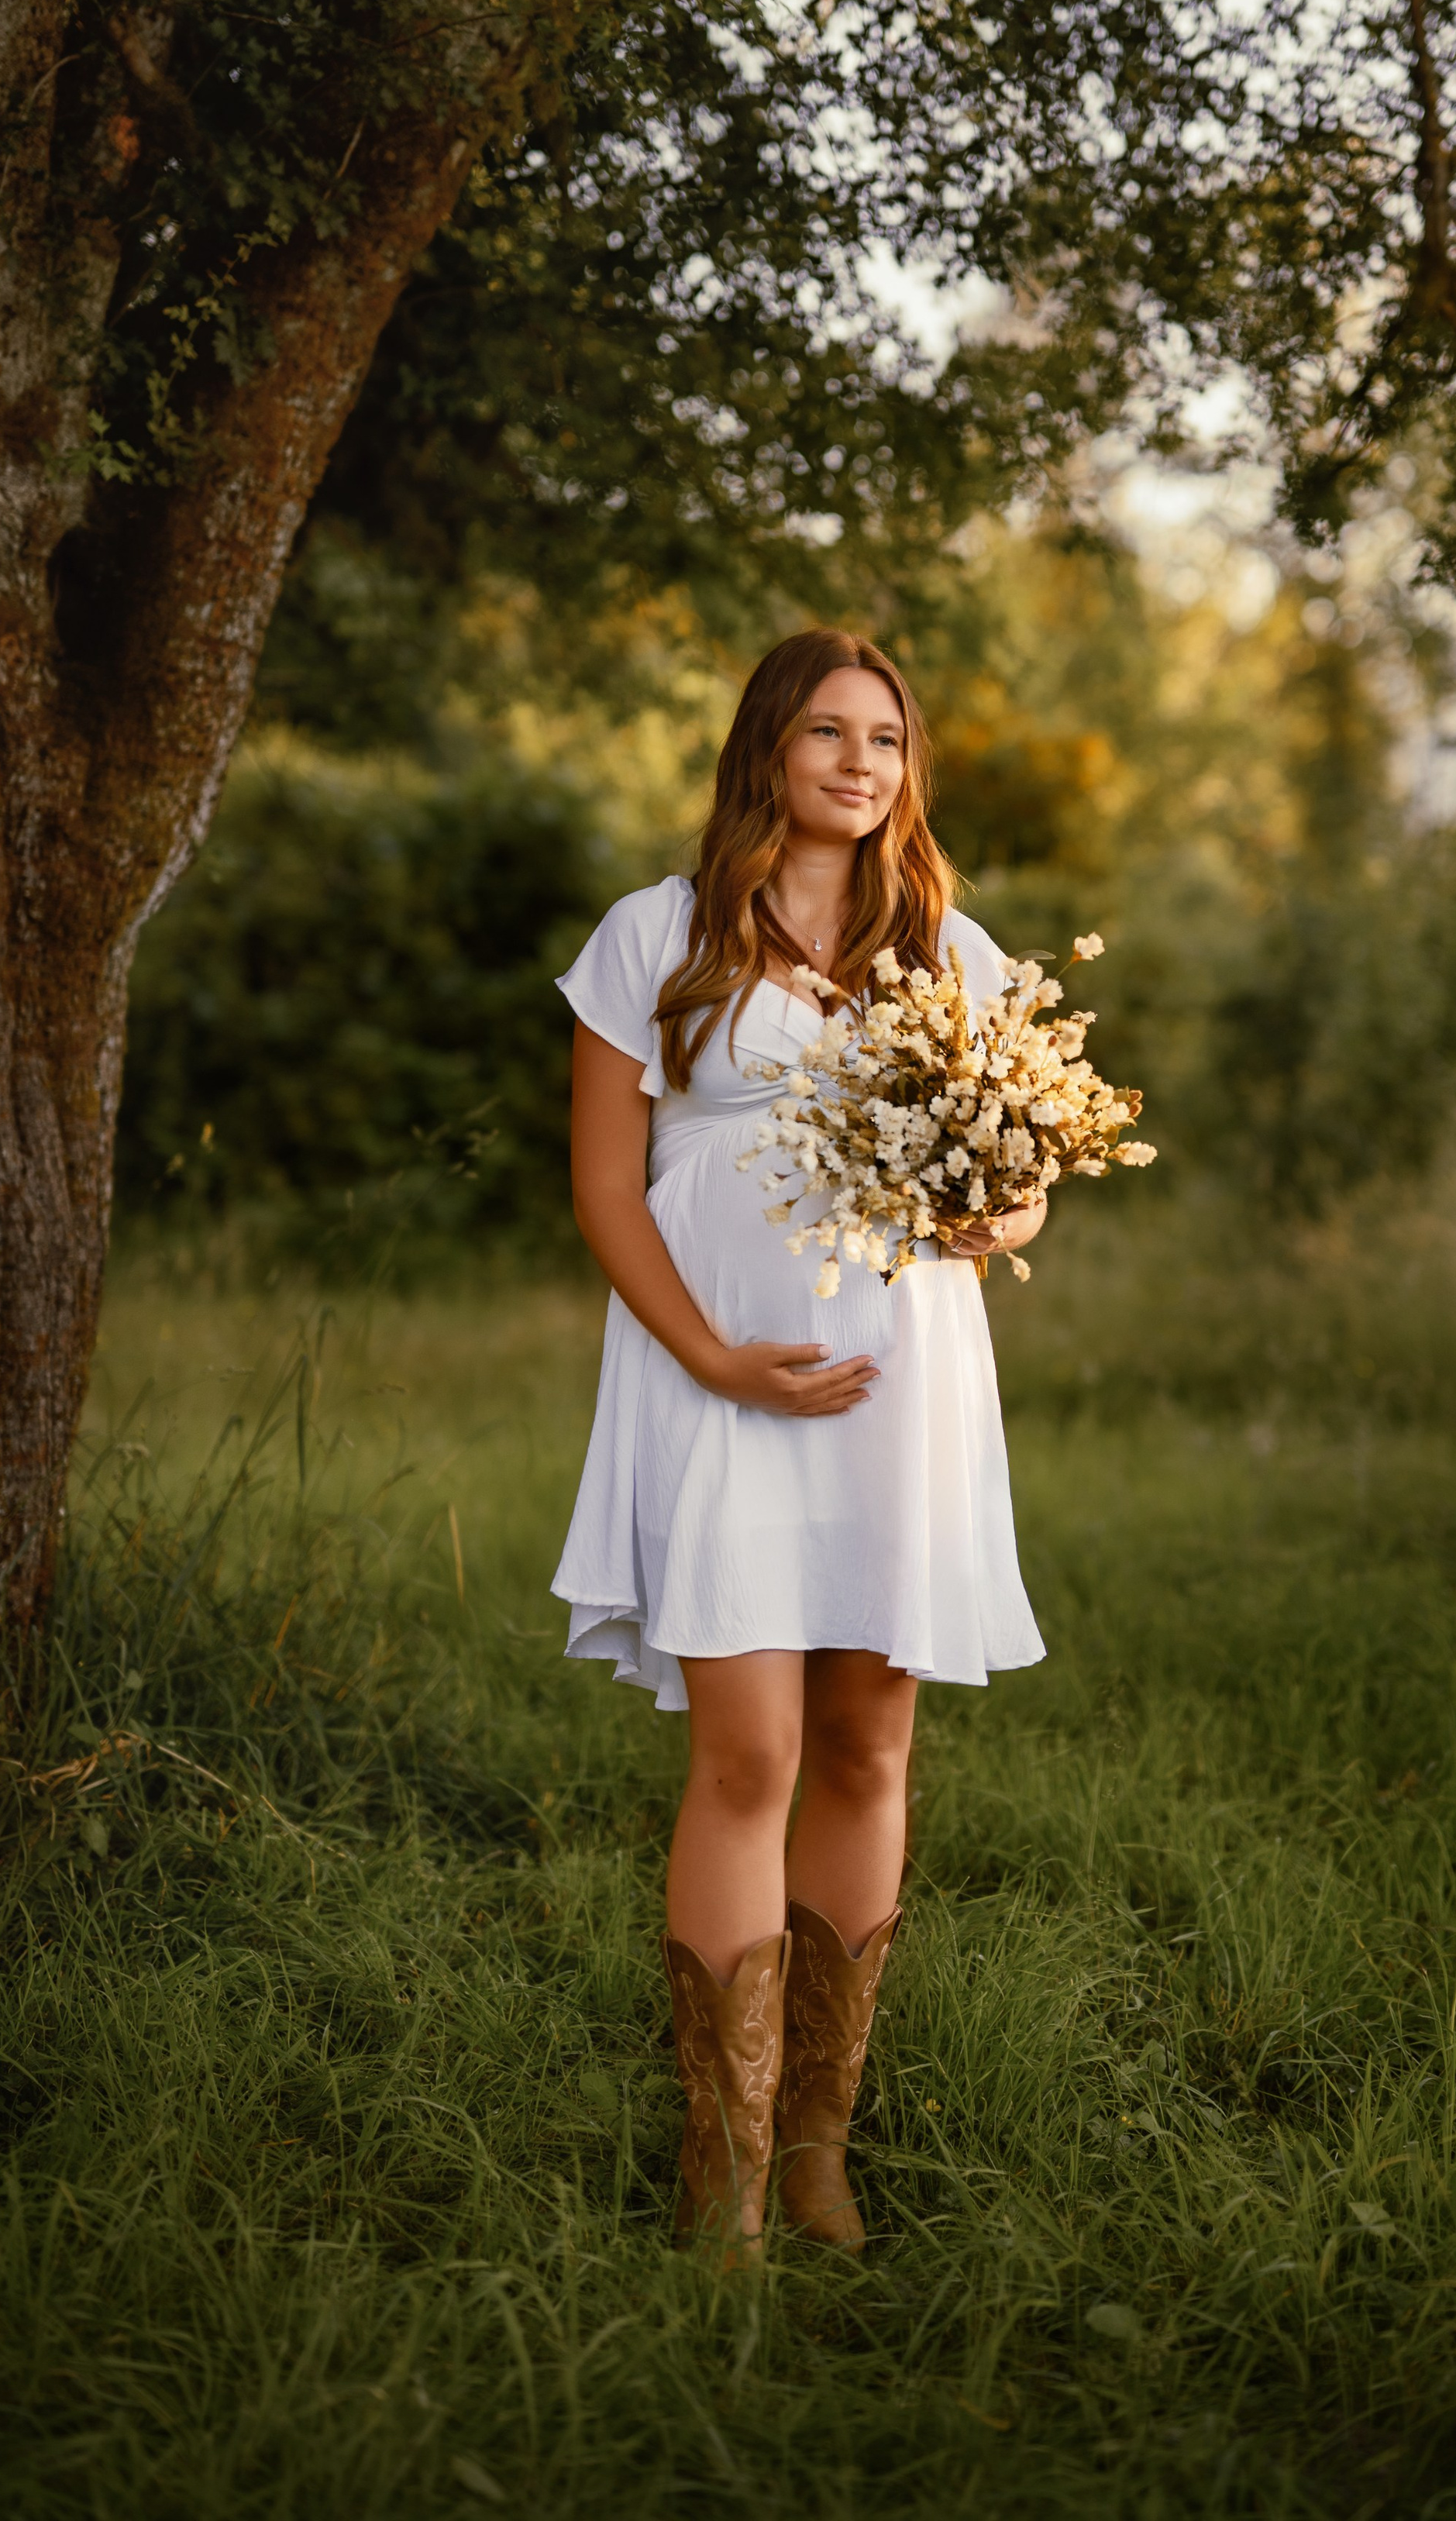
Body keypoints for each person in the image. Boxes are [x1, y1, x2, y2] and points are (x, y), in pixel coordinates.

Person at [553, 629, 1047, 2267]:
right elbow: (607, 1188)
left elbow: (1021, 1184)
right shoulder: (656, 933)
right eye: (828, 731)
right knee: (748, 1752)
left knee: (866, 1745)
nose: (859, 763)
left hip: (897, 1382)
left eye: (886, 739)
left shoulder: (952, 950)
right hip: (716, 1382)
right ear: (768, 746)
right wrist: (711, 1355)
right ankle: (727, 2179)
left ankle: (819, 2149)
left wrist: (993, 1214)